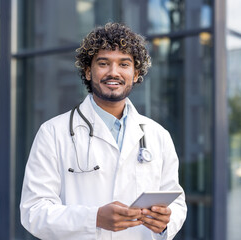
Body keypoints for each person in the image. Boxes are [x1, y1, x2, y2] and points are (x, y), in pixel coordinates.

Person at [20, 22, 187, 240]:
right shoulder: (52, 133)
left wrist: (166, 222)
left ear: (136, 74)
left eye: (124, 64)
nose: (113, 72)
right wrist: (95, 218)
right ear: (88, 71)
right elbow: (34, 211)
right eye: (103, 63)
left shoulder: (158, 135)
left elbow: (176, 202)